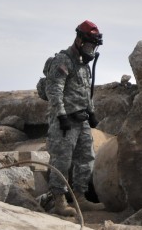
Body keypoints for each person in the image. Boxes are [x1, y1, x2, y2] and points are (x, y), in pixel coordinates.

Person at [45, 20, 105, 216]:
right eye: (89, 45)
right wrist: (61, 115)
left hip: (82, 120)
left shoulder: (83, 66)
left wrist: (92, 112)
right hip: (65, 121)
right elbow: (54, 90)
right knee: (62, 160)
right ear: (79, 40)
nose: (91, 49)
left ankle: (80, 197)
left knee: (86, 158)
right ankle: (59, 200)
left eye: (94, 46)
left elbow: (86, 92)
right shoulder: (63, 60)